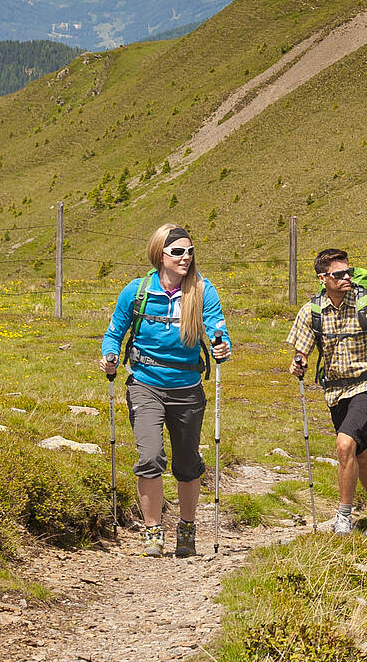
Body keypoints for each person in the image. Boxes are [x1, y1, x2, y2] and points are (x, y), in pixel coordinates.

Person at [100, 224, 230, 558]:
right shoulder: (137, 291)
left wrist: (221, 345)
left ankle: (187, 527)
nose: (185, 257)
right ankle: (152, 530)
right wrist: (110, 356)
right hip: (144, 383)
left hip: (187, 388)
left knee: (187, 463)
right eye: (178, 252)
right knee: (149, 457)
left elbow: (218, 327)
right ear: (161, 254)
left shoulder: (202, 290)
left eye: (189, 251)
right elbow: (114, 331)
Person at [288, 247, 367, 537]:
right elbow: (301, 351)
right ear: (323, 278)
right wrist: (299, 364)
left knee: (345, 445)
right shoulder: (312, 311)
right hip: (334, 390)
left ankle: (342, 519)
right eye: (339, 274)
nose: (347, 277)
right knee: (361, 453)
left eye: (349, 272)